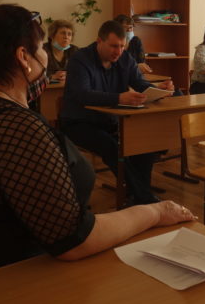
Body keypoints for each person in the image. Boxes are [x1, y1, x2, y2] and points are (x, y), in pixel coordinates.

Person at [0, 5, 194, 287]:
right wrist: (155, 212)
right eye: (41, 48)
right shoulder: (17, 128)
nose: (45, 57)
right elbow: (74, 239)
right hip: (6, 284)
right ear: (23, 57)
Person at [59, 20, 176, 205]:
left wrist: (158, 88)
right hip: (78, 123)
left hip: (110, 121)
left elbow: (139, 83)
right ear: (99, 41)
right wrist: (119, 98)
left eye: (122, 46)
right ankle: (143, 197)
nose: (119, 51)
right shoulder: (80, 59)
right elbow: (83, 94)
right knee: (112, 146)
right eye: (114, 46)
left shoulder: (125, 58)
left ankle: (135, 193)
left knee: (144, 142)